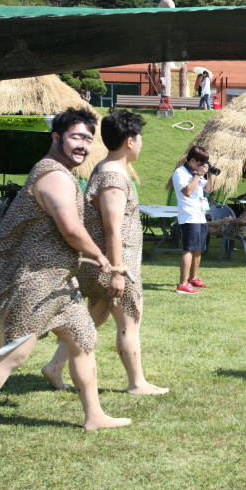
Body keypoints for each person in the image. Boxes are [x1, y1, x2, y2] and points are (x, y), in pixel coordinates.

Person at [0, 108, 130, 452]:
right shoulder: (53, 176)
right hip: (35, 282)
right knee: (13, 354)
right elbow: (70, 228)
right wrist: (103, 260)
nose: (83, 144)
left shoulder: (62, 174)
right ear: (56, 138)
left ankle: (94, 415)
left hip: (60, 283)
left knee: (84, 342)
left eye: (87, 138)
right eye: (76, 137)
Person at [42, 110, 168, 396]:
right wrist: (118, 271)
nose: (141, 142)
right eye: (140, 137)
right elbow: (113, 230)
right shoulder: (113, 177)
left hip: (108, 265)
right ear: (129, 141)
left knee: (95, 317)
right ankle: (137, 383)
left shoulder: (107, 169)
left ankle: (54, 366)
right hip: (114, 266)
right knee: (129, 322)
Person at [173, 145, 215, 294]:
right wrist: (198, 174)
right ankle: (183, 284)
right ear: (192, 160)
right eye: (200, 163)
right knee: (189, 249)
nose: (202, 166)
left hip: (200, 215)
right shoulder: (180, 172)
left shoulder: (196, 173)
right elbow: (188, 192)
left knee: (198, 249)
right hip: (189, 216)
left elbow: (208, 190)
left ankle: (193, 278)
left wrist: (210, 175)